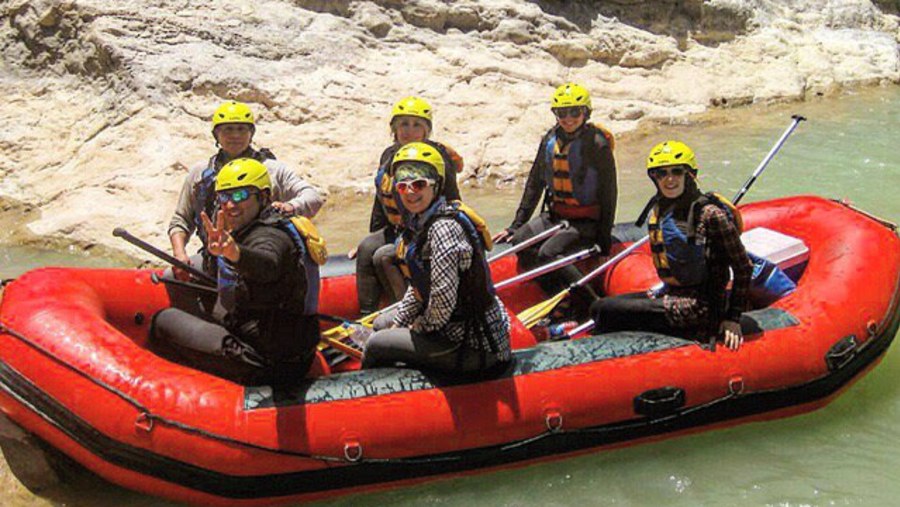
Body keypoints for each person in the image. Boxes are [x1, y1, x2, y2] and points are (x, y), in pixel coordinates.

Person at [151, 158, 322, 385]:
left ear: (264, 197)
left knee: (163, 320)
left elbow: (267, 263)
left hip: (268, 360)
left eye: (240, 196)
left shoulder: (271, 237)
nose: (231, 205)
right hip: (273, 339)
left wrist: (236, 254)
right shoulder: (256, 226)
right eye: (225, 197)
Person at [361, 142, 511, 375]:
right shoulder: (420, 222)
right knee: (382, 323)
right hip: (451, 329)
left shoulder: (444, 229)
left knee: (376, 344)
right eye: (403, 185)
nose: (410, 192)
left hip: (472, 344)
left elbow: (442, 305)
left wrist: (417, 327)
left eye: (419, 184)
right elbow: (419, 288)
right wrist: (399, 322)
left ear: (437, 185)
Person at [590, 141, 753, 351]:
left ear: (689, 175)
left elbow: (744, 267)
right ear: (654, 177)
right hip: (672, 292)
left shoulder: (711, 214)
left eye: (677, 172)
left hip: (700, 307)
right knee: (601, 307)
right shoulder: (664, 207)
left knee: (604, 310)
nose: (669, 179)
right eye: (661, 173)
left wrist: (733, 317)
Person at [168, 100, 323, 281]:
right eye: (228, 129)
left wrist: (290, 206)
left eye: (242, 129)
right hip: (216, 253)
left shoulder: (272, 170)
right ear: (216, 135)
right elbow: (181, 220)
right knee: (170, 276)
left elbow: (313, 197)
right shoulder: (199, 174)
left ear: (251, 134)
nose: (235, 135)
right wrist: (180, 254)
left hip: (261, 249)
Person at [492, 82, 618, 302]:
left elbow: (609, 192)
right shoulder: (550, 139)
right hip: (556, 215)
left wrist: (604, 240)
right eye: (562, 113)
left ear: (585, 113)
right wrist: (516, 224)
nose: (568, 118)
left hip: (586, 221)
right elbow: (535, 183)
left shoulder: (597, 143)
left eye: (574, 112)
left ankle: (590, 302)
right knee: (521, 242)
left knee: (548, 253)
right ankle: (557, 297)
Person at [351, 96, 464, 316]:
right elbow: (381, 201)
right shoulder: (388, 155)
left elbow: (453, 198)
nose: (409, 131)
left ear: (426, 131)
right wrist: (375, 233)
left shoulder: (437, 157)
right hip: (398, 228)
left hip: (425, 232)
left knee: (382, 256)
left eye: (416, 125)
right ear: (394, 128)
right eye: (403, 124)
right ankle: (366, 316)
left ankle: (405, 314)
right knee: (366, 248)